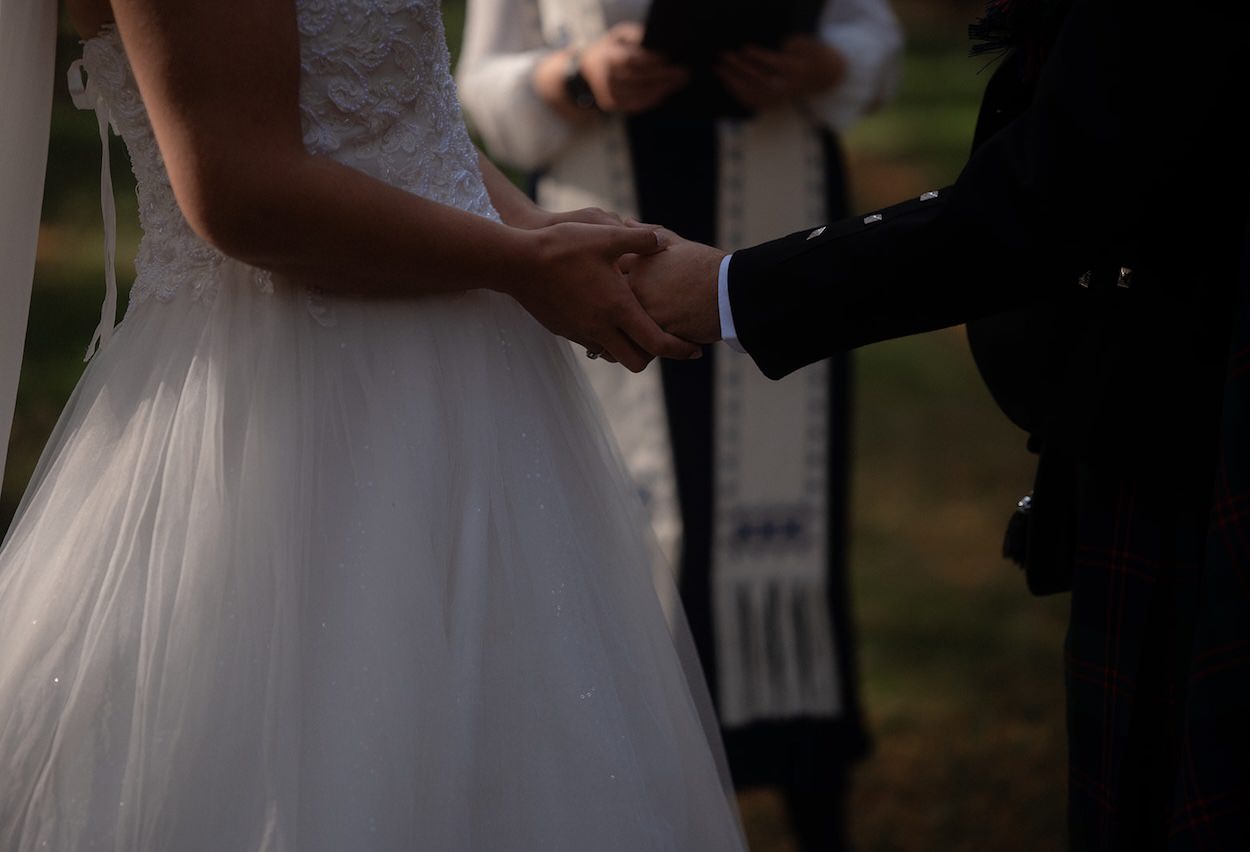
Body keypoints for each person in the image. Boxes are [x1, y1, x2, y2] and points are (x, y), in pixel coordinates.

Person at [0, 0, 749, 848]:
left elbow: (392, 116)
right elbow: (244, 192)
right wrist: (521, 264)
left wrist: (532, 227)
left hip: (471, 377)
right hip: (291, 399)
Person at [626, 0, 1250, 847]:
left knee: (1182, 767)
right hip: (1168, 391)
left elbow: (1046, 195)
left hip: (1199, 420)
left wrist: (732, 290)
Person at [457, 5, 900, 848]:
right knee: (620, 526)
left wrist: (825, 66)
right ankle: (628, 798)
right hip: (602, 230)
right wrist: (576, 76)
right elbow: (476, 87)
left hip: (775, 225)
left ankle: (809, 790)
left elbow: (871, 36)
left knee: (784, 528)